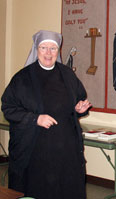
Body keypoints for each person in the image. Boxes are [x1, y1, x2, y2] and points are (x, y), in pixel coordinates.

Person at [1, 30, 92, 199]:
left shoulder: (68, 75)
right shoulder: (22, 78)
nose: (49, 53)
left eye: (53, 48)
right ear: (36, 49)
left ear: (58, 51)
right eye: (44, 48)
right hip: (35, 151)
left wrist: (80, 108)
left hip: (66, 150)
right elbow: (8, 108)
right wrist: (36, 119)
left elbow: (78, 101)